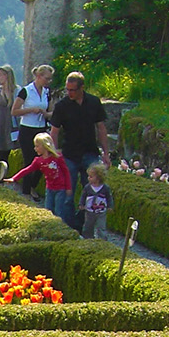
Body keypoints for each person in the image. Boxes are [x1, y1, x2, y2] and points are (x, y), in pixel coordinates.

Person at [46, 69, 111, 228]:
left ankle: (84, 225)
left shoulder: (94, 102)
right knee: (68, 194)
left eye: (72, 90)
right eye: (67, 89)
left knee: (93, 193)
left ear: (82, 88)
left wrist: (106, 154)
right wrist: (55, 153)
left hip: (90, 152)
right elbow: (54, 132)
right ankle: (70, 226)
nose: (69, 93)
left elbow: (101, 128)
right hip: (69, 155)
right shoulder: (62, 106)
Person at [6, 132, 75, 224]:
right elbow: (27, 170)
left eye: (37, 146)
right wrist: (14, 178)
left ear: (45, 146)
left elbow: (66, 172)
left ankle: (62, 228)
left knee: (59, 211)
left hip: (60, 188)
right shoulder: (38, 161)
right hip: (50, 188)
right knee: (48, 210)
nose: (35, 149)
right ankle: (49, 227)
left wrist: (68, 187)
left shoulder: (57, 157)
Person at [11, 65, 54, 199]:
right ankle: (26, 191)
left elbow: (50, 112)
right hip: (27, 129)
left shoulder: (47, 92)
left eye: (49, 79)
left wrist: (47, 114)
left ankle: (32, 186)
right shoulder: (26, 91)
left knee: (44, 159)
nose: (48, 81)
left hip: (41, 128)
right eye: (46, 78)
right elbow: (14, 111)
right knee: (29, 160)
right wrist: (30, 110)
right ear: (39, 76)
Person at [79, 163, 112, 240]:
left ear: (98, 178)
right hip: (89, 211)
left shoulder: (105, 188)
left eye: (91, 177)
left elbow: (109, 197)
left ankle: (102, 239)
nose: (88, 178)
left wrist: (110, 206)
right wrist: (81, 204)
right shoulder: (87, 187)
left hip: (101, 211)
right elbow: (83, 196)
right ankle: (88, 238)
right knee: (88, 226)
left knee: (101, 226)